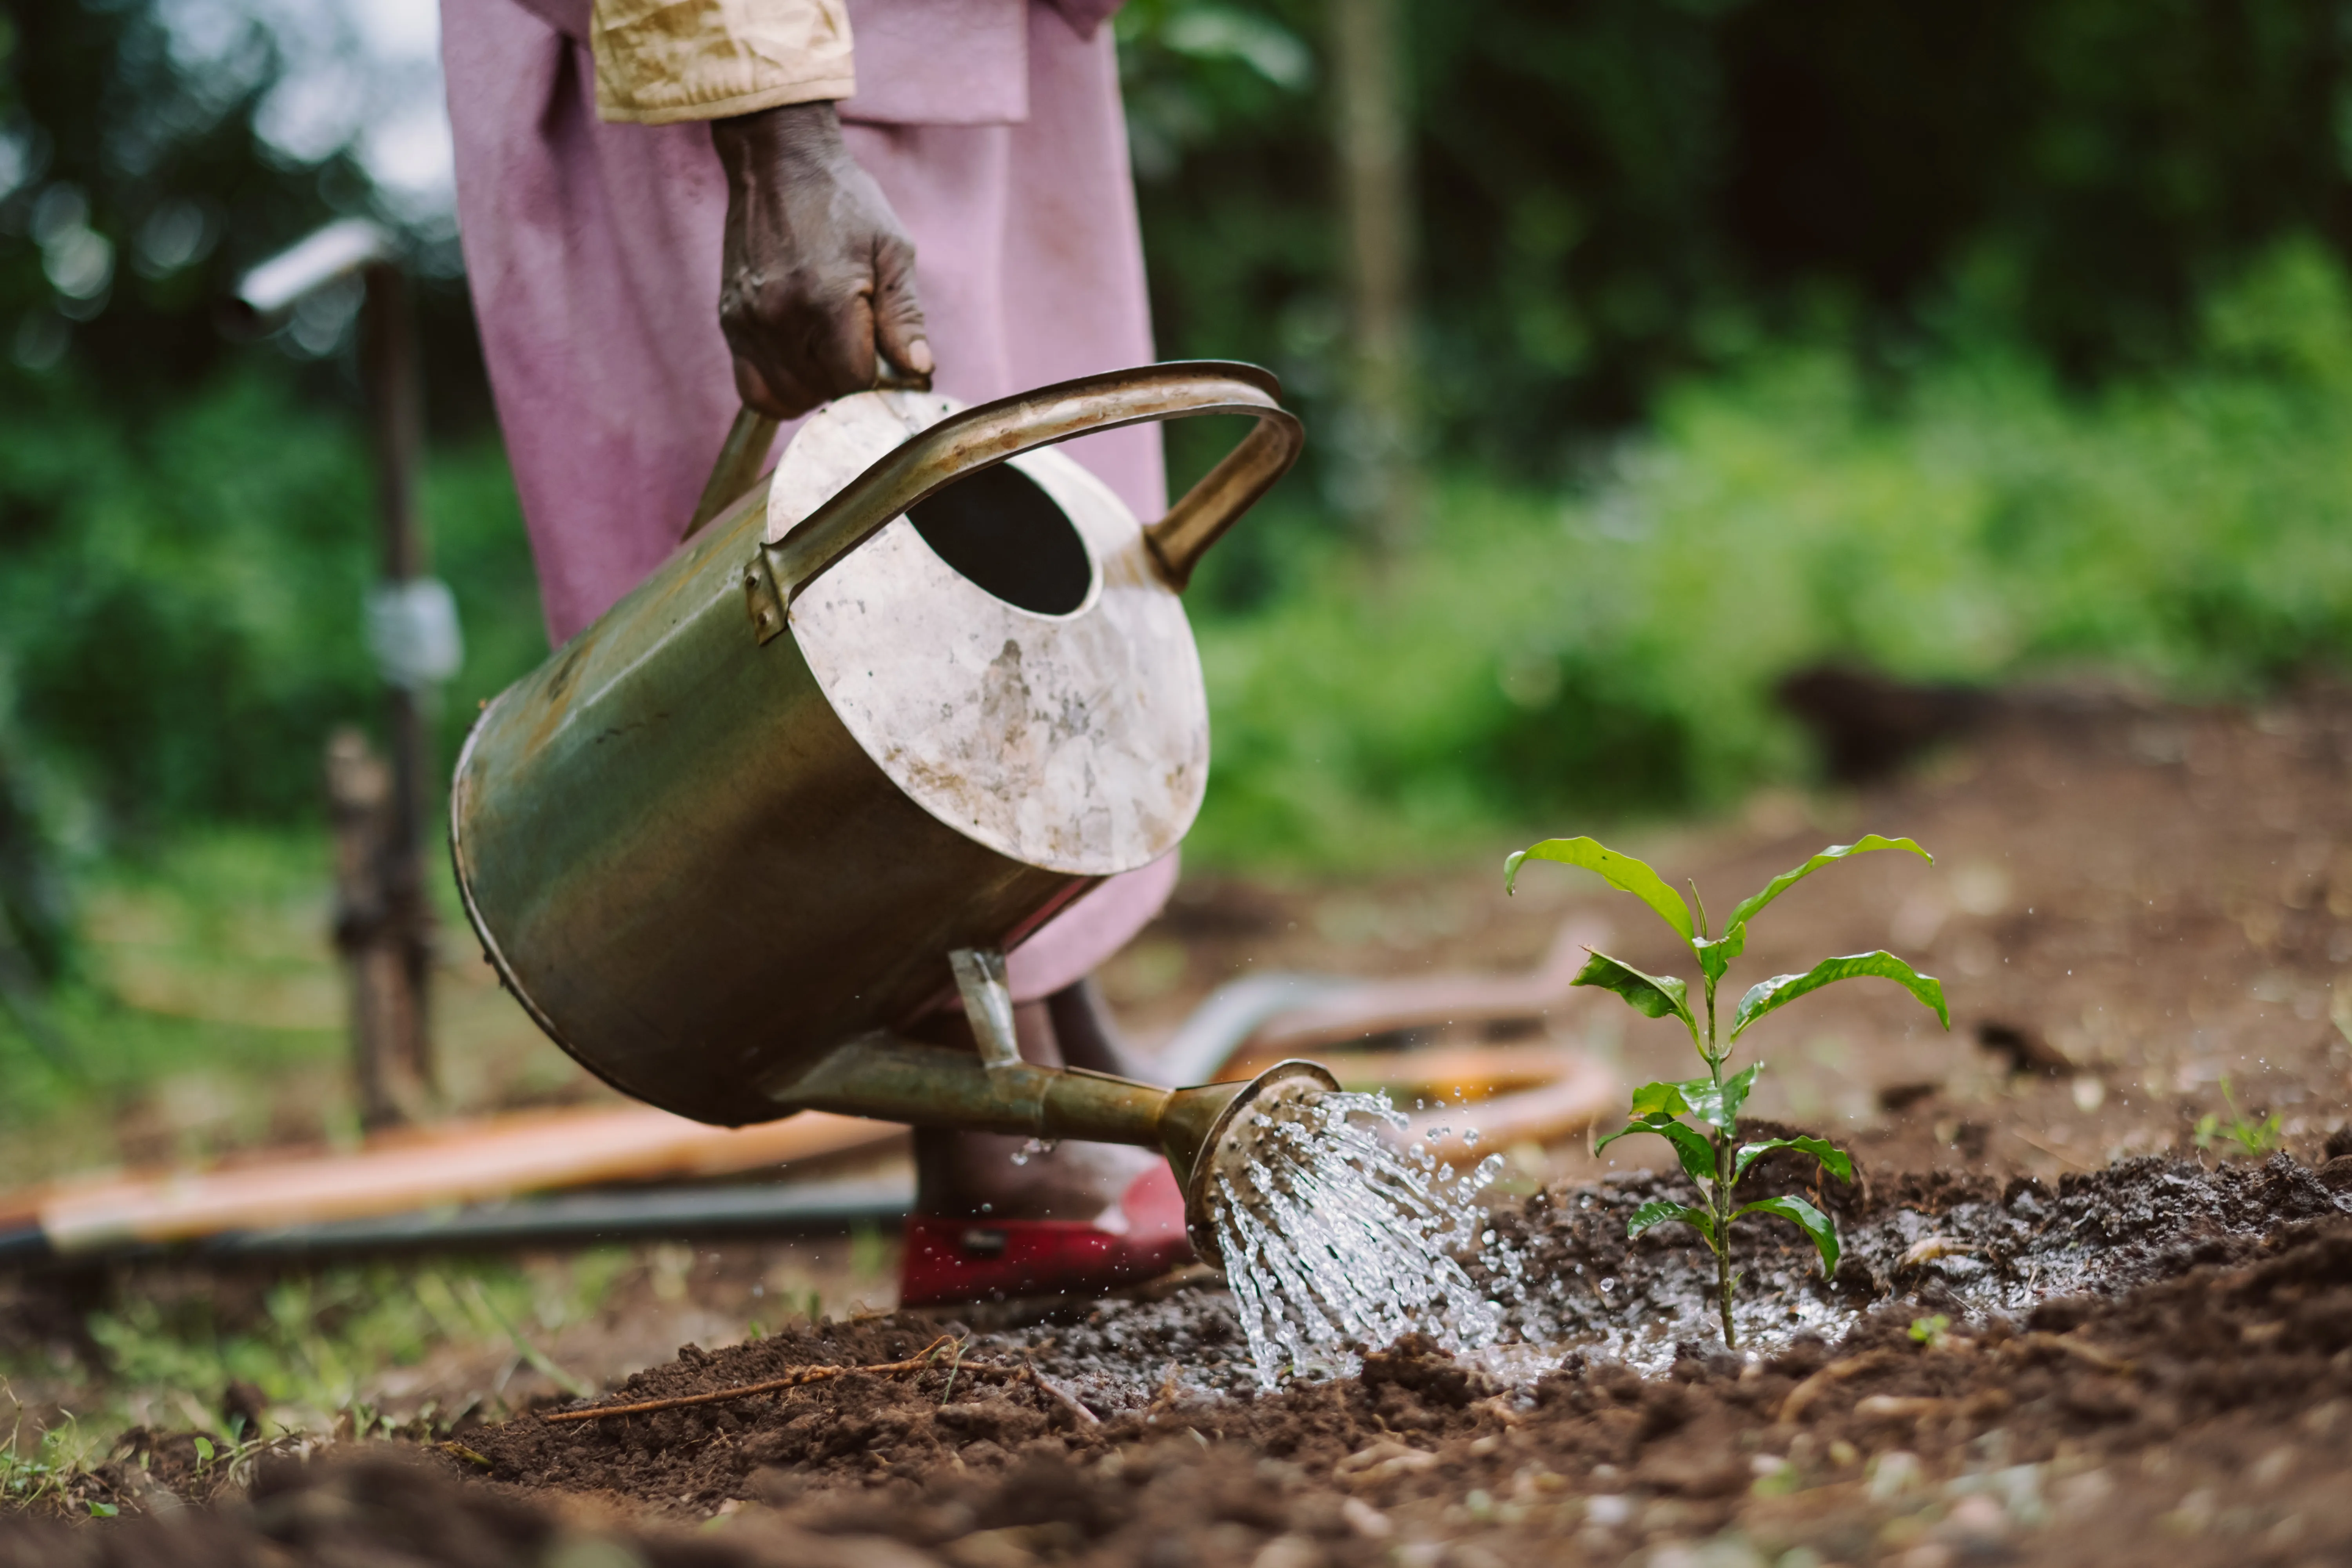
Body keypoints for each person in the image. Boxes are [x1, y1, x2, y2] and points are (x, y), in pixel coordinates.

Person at [439, 0, 1192, 1304]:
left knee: (1031, 530)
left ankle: (1058, 1049)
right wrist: (776, 145)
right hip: (747, 67)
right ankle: (990, 1140)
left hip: (964, 42)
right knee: (860, 576)